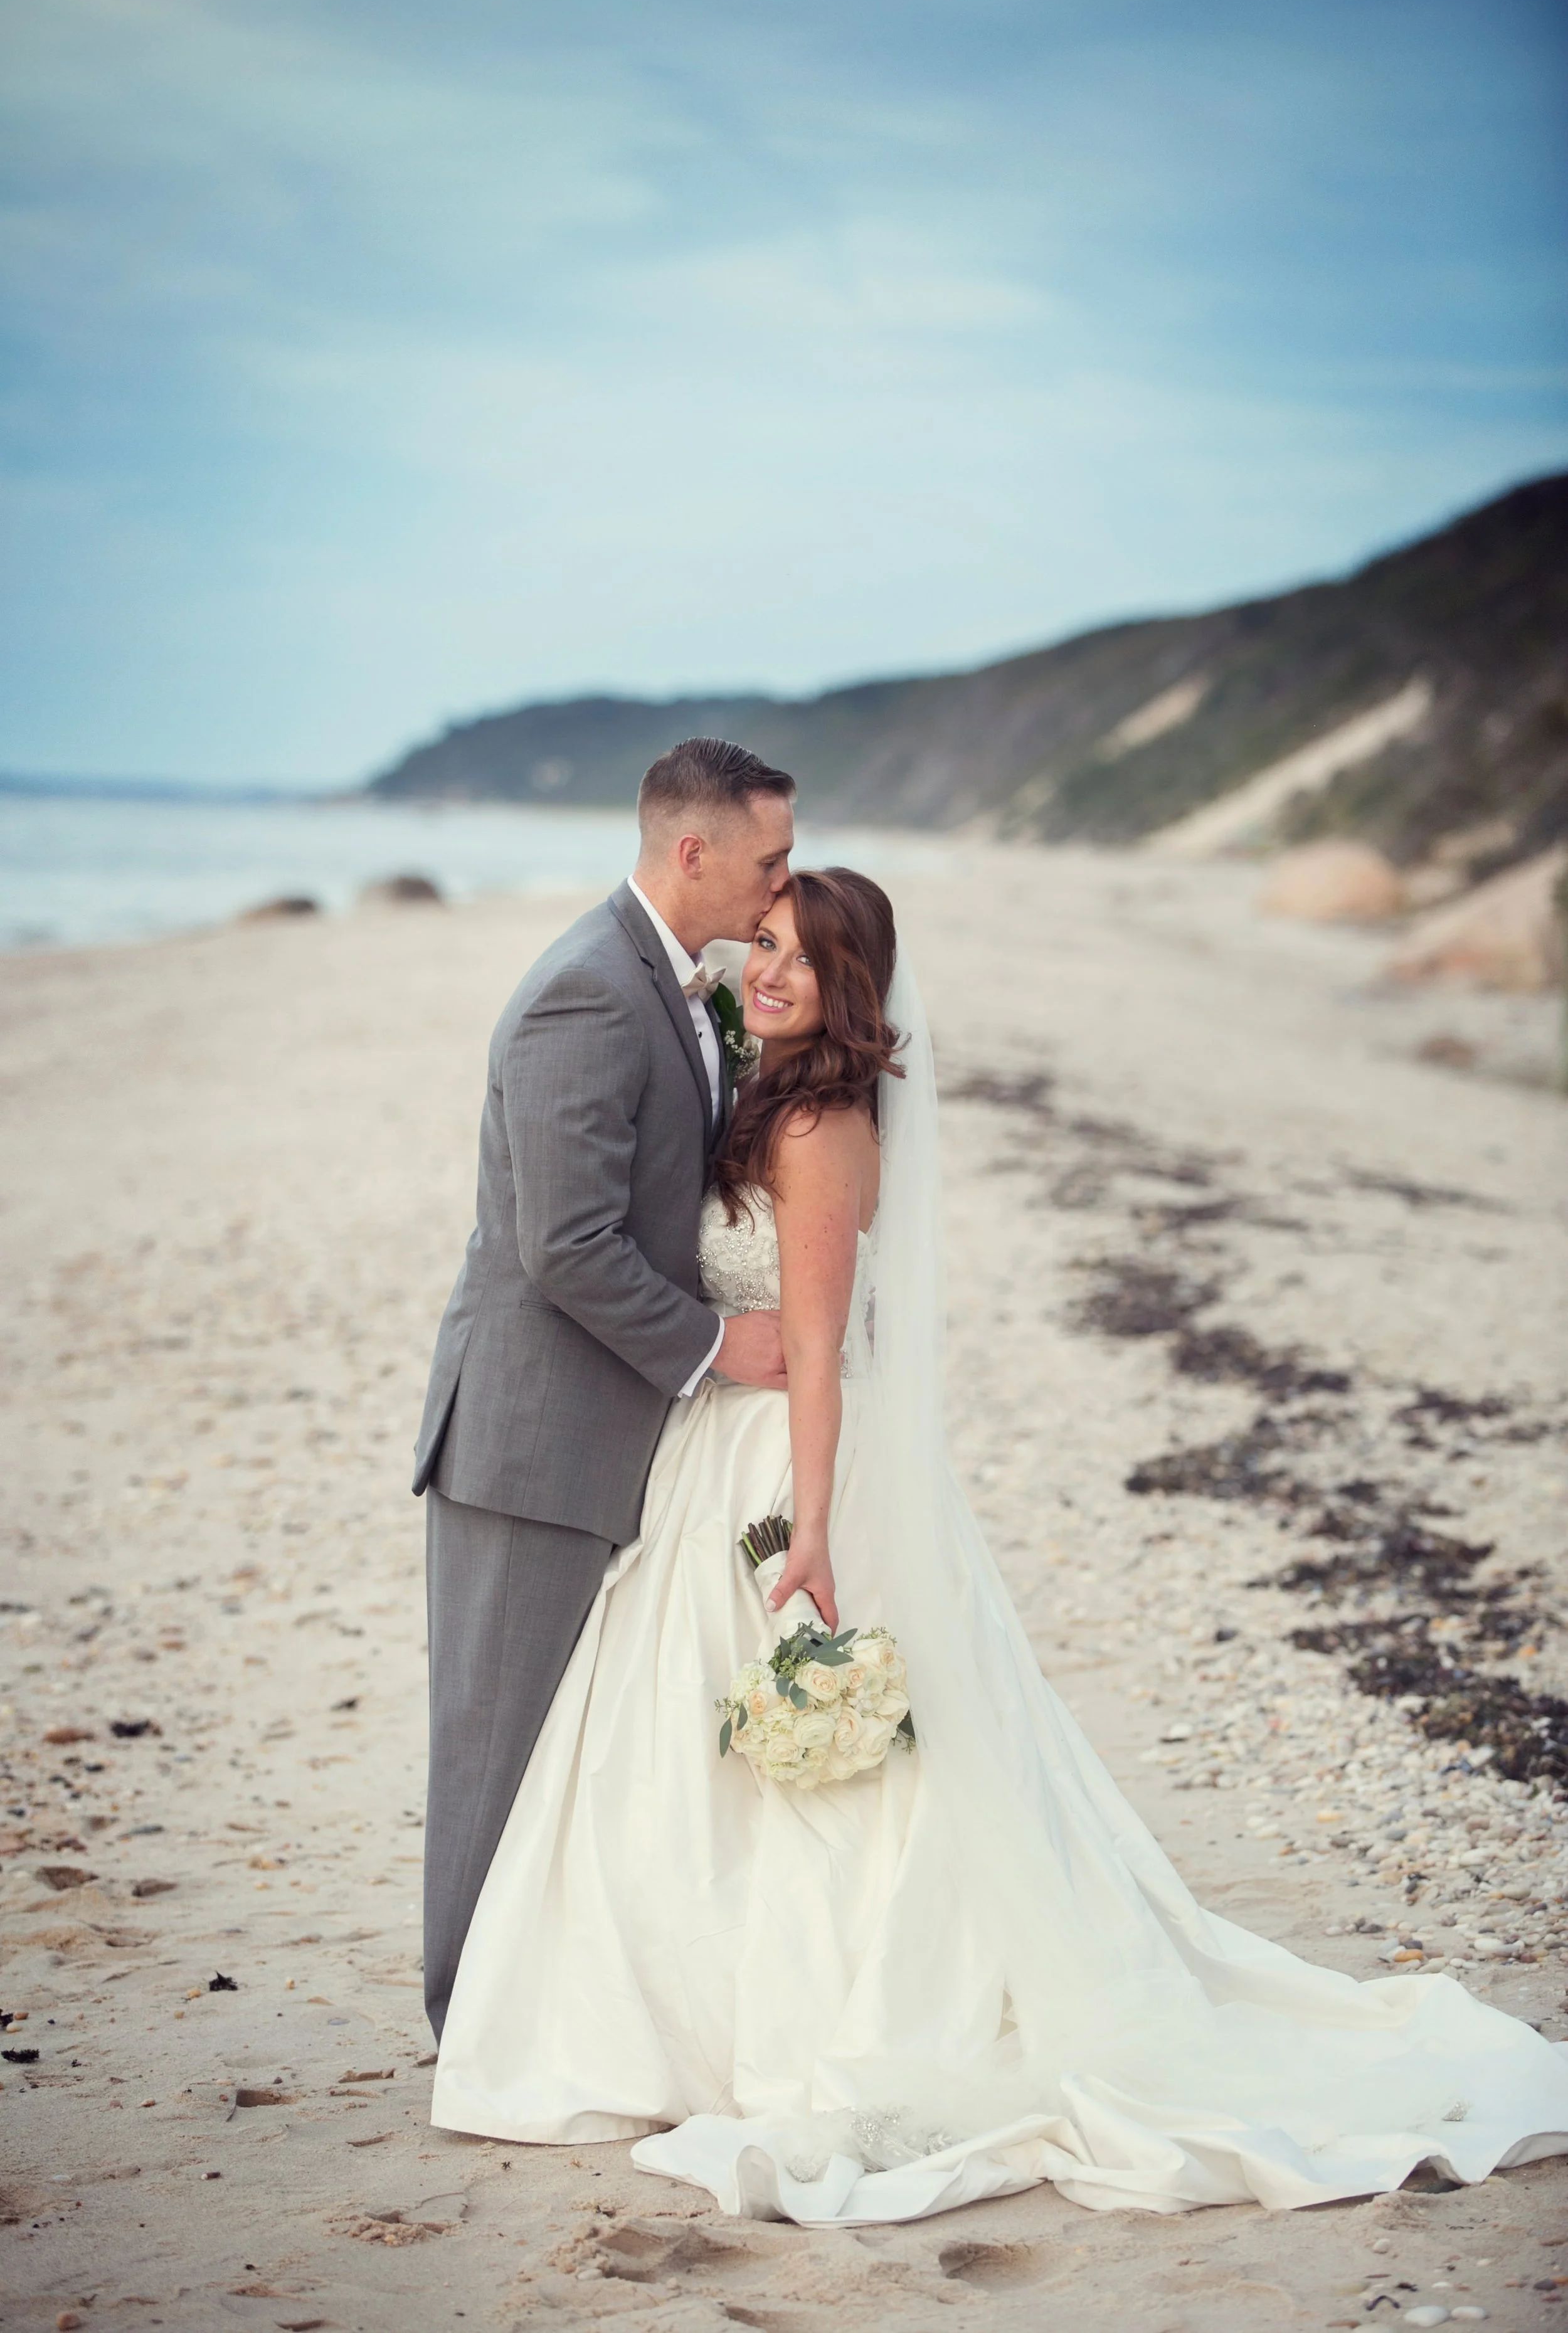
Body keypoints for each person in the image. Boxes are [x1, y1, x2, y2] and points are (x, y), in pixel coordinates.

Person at [431, 859, 1568, 2226]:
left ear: (849, 983)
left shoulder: (816, 1131)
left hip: (776, 1468)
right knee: (687, 1755)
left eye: (796, 956)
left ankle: (757, 2018)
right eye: (763, 946)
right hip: (710, 1455)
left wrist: (802, 1530)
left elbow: (815, 1351)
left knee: (805, 1774)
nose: (767, 971)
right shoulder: (774, 1097)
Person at [412, 736, 797, 2040]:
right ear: (691, 854)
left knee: (579, 1753)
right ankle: (465, 2023)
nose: (780, 883)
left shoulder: (687, 985)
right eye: (769, 859)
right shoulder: (585, 991)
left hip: (615, 1434)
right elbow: (562, 1245)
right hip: (532, 1438)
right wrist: (715, 1347)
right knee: (498, 1742)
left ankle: (541, 2010)